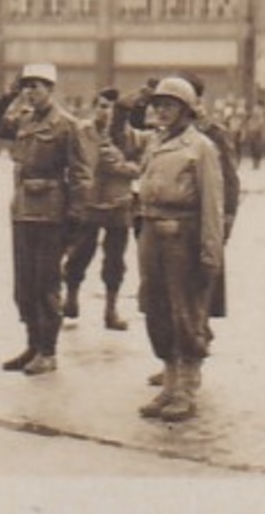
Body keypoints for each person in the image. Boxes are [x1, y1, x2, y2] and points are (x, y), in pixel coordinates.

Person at [0, 62, 93, 376]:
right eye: (26, 86)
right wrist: (7, 97)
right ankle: (32, 344)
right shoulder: (23, 120)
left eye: (37, 87)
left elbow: (82, 174)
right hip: (23, 212)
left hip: (51, 214)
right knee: (24, 286)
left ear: (51, 90)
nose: (30, 93)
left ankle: (48, 351)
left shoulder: (67, 125)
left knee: (46, 285)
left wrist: (76, 216)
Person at [133, 77, 225, 423]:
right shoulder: (155, 143)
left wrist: (210, 251)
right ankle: (169, 385)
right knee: (155, 310)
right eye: (158, 105)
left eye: (169, 105)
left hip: (182, 238)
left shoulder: (200, 147)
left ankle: (186, 389)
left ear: (186, 110)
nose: (161, 111)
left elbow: (212, 204)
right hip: (152, 234)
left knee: (184, 312)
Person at [61, 89, 137, 331]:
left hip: (119, 204)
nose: (107, 112)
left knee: (115, 261)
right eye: (102, 106)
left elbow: (144, 164)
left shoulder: (132, 136)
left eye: (112, 108)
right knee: (79, 255)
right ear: (94, 107)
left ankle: (110, 311)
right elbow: (70, 163)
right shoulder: (81, 133)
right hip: (89, 203)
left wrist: (122, 168)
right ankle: (71, 298)